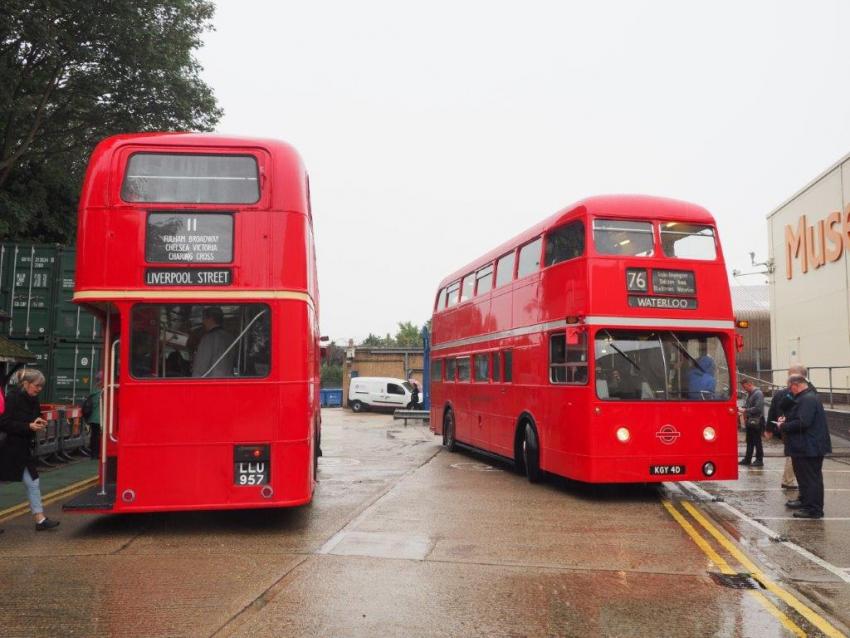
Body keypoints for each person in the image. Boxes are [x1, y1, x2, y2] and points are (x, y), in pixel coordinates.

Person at [0, 369, 60, 531]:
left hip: (23, 449)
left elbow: (35, 416)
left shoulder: (33, 399)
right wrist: (28, 426)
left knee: (33, 482)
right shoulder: (13, 398)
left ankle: (40, 519)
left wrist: (39, 421)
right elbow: (4, 423)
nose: (39, 388)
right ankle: (40, 519)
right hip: (7, 449)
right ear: (26, 384)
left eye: (41, 386)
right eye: (36, 385)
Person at [778, 374, 831, 519]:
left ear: (796, 385)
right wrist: (786, 420)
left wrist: (784, 425)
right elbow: (796, 415)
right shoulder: (805, 397)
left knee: (811, 479)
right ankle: (806, 502)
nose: (790, 391)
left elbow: (803, 422)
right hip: (805, 446)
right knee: (805, 478)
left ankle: (814, 509)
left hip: (809, 447)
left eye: (790, 388)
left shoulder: (808, 399)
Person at [766, 364, 809, 489]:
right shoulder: (800, 393)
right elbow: (774, 410)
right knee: (794, 455)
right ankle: (788, 480)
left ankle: (788, 479)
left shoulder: (782, 393)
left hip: (785, 428)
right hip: (794, 429)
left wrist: (769, 428)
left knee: (791, 454)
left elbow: (772, 410)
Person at [192, 307, 235, 378]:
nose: (203, 322)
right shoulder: (230, 337)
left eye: (204, 319)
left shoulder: (208, 338)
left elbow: (200, 367)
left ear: (210, 319)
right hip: (228, 381)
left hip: (212, 382)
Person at [738, 378, 765, 466]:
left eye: (745, 387)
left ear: (750, 384)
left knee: (757, 441)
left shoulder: (758, 393)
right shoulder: (750, 394)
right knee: (749, 440)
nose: (744, 389)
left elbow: (758, 408)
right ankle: (747, 459)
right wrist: (741, 408)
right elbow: (747, 406)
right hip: (751, 420)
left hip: (757, 420)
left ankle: (759, 460)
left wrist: (745, 410)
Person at [82, 371, 103, 460]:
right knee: (98, 436)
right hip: (100, 418)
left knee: (94, 436)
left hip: (92, 418)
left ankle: (93, 454)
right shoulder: (102, 392)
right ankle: (97, 453)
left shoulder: (93, 391)